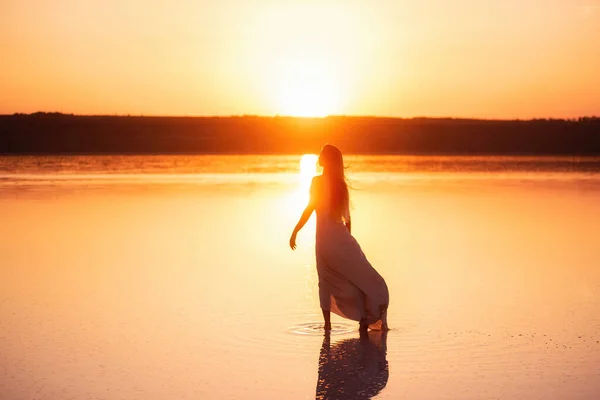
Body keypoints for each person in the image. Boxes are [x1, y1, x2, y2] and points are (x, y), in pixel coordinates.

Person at [289, 144, 389, 331]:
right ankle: (364, 319)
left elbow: (310, 208)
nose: (318, 157)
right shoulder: (339, 184)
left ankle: (327, 326)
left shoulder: (317, 181)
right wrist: (348, 243)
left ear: (327, 159)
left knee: (325, 281)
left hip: (324, 242)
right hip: (340, 239)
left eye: (321, 154)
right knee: (360, 277)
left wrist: (295, 230)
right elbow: (347, 219)